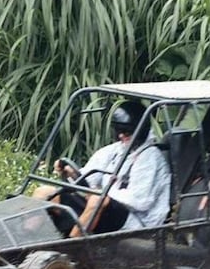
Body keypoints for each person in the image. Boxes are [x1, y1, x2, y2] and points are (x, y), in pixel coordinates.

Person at [33, 100, 170, 236]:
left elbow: (140, 201)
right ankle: (24, 244)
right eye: (118, 131)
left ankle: (70, 248)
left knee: (98, 200)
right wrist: (71, 172)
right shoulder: (115, 150)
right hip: (108, 211)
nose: (121, 136)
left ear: (140, 131)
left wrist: (100, 193)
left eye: (126, 132)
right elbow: (88, 178)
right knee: (45, 193)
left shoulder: (150, 157)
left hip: (139, 222)